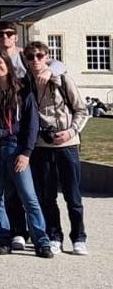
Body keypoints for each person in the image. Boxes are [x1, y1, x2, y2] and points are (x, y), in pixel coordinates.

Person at [0, 49, 53, 259]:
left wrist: (26, 152)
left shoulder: (23, 91)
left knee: (29, 196)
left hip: (16, 149)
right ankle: (4, 239)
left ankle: (41, 241)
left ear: (7, 64)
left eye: (0, 63)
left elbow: (32, 124)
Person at [24, 40, 89, 255]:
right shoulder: (26, 84)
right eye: (31, 56)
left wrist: (71, 131)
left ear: (47, 57)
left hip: (67, 144)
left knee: (73, 195)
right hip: (41, 146)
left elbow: (82, 110)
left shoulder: (62, 79)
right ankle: (54, 236)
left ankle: (79, 237)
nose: (35, 60)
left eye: (39, 56)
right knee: (47, 196)